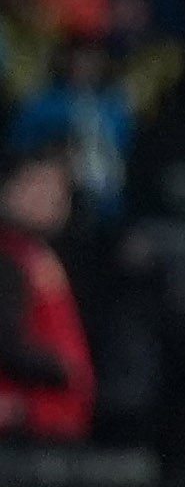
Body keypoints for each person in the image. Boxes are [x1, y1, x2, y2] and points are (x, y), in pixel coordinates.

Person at [0, 152, 92, 444]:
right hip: (24, 420)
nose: (48, 198)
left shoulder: (36, 254)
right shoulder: (8, 258)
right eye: (36, 185)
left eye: (58, 190)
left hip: (53, 418)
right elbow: (8, 342)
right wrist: (63, 369)